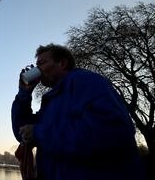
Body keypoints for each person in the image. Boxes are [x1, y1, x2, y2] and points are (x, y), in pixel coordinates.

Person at [11, 43, 143, 180]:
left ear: (62, 63)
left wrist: (39, 133)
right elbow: (22, 132)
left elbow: (112, 133)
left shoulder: (86, 81)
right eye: (36, 65)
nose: (37, 69)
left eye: (42, 63)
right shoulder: (53, 99)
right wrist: (23, 94)